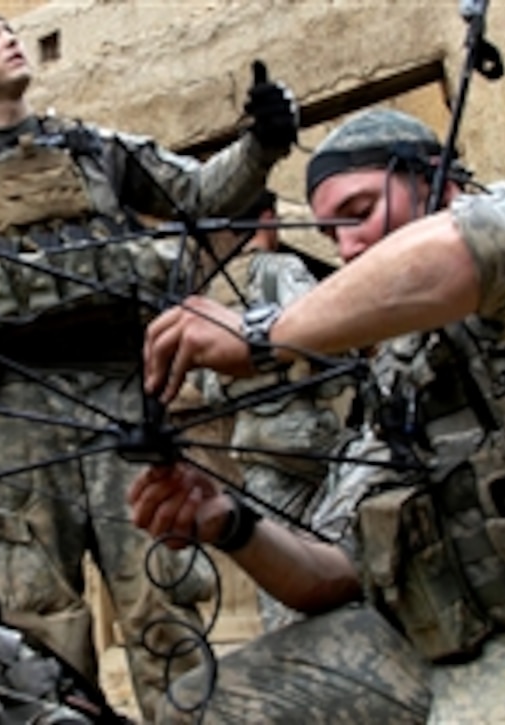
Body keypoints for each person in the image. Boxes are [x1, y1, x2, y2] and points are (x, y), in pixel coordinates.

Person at [132, 107, 505, 722]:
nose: (347, 245)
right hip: (457, 648)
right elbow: (332, 574)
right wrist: (229, 521)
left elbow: (459, 255)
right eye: (331, 232)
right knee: (203, 709)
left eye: (360, 212)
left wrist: (266, 331)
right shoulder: (400, 370)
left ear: (437, 181)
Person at [0, 11, 298, 720]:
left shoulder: (96, 148)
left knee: (160, 593)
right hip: (16, 418)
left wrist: (261, 143)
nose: (10, 37)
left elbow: (199, 194)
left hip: (124, 406)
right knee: (33, 614)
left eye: (12, 28)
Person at [216, 188, 351, 632]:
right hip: (303, 437)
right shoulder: (282, 269)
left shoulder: (217, 290)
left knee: (274, 547)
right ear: (268, 221)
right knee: (340, 545)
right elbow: (328, 334)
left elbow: (206, 385)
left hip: (251, 440)